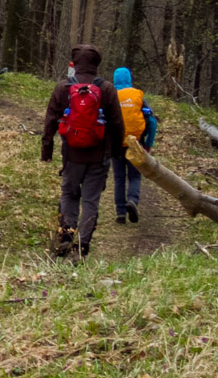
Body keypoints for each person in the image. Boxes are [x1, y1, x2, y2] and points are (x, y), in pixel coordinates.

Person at [41, 44, 126, 259]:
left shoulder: (63, 88)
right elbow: (117, 124)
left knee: (69, 194)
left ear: (75, 63)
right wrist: (115, 152)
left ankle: (67, 235)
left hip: (71, 155)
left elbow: (50, 120)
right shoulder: (106, 89)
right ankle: (83, 244)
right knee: (90, 200)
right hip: (100, 156)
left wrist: (47, 150)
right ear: (97, 64)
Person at [111, 67, 158, 225]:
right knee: (134, 176)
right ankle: (132, 201)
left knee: (118, 178)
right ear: (130, 79)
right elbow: (151, 122)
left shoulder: (111, 95)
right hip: (135, 143)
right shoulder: (138, 95)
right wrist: (148, 145)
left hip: (116, 143)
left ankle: (120, 213)